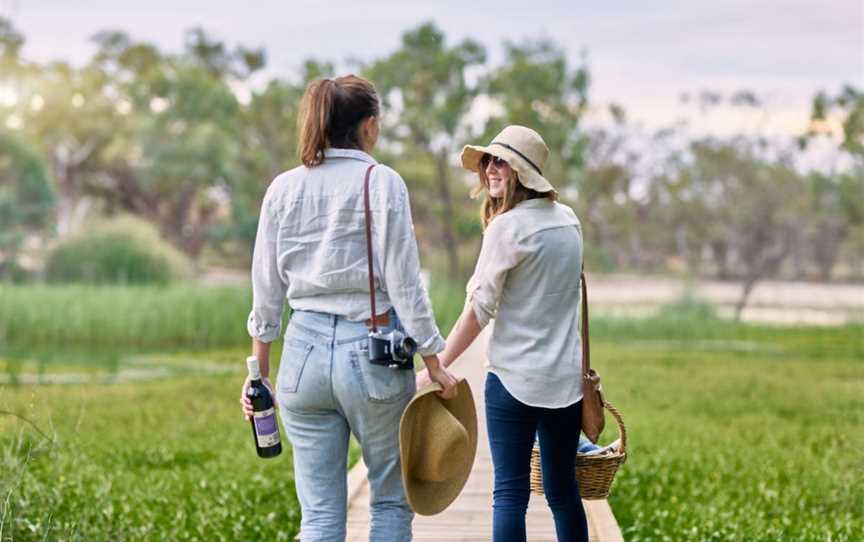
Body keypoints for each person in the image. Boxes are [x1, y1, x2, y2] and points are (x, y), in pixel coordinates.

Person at [241, 74, 458, 542]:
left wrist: (258, 372)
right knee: (391, 503)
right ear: (369, 126)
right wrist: (434, 361)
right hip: (373, 354)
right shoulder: (381, 183)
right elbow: (404, 284)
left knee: (318, 517)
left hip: (302, 358)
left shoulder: (282, 188)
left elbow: (266, 288)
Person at [417, 125, 589, 541]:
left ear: (522, 173)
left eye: (502, 161)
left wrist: (436, 365)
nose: (492, 169)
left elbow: (477, 311)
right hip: (565, 380)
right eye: (489, 160)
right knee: (563, 491)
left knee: (509, 494)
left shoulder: (507, 228)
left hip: (513, 379)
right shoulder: (568, 221)